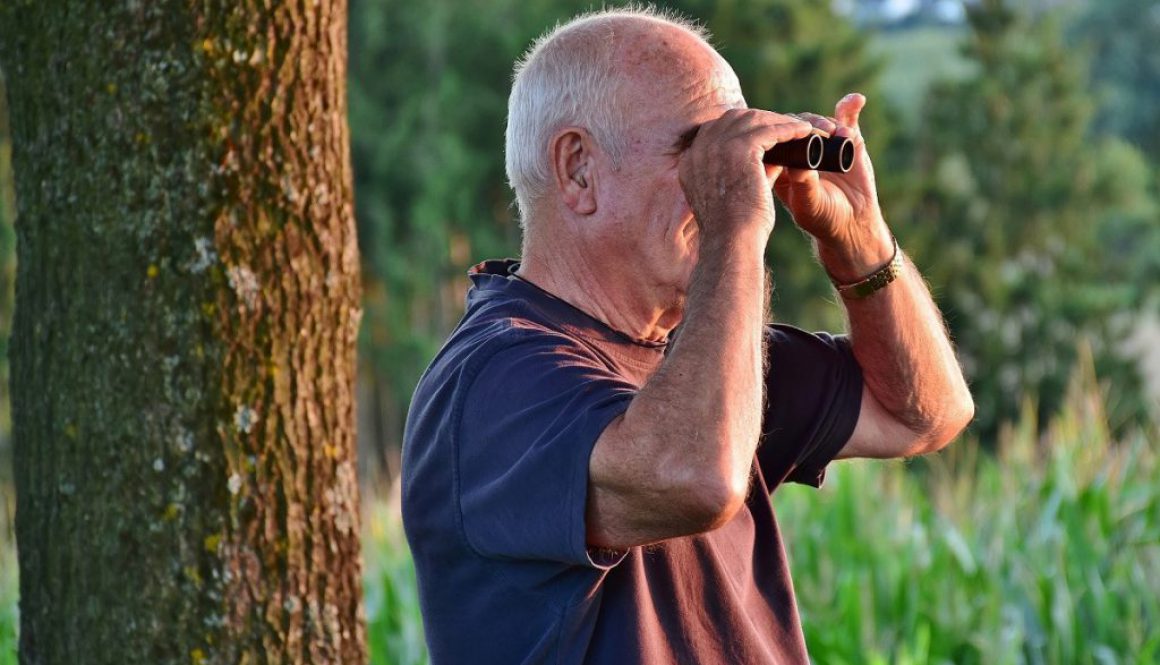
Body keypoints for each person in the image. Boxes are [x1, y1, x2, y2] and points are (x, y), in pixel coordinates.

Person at [401, 7, 974, 664]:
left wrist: (859, 238)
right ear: (578, 169)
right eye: (700, 153)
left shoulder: (695, 357)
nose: (732, 182)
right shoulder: (492, 381)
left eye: (736, 159)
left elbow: (923, 413)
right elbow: (696, 478)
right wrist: (735, 228)